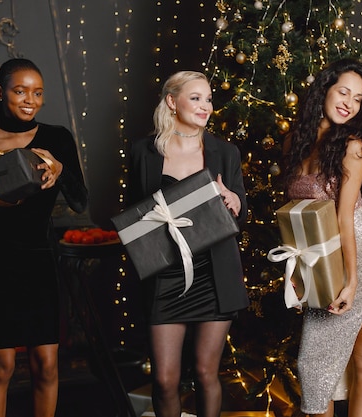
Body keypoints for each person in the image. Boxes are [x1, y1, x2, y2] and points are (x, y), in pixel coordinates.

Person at [0, 58, 88, 417]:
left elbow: (80, 202)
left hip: (39, 260)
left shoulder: (57, 139)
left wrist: (60, 170)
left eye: (37, 92)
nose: (29, 99)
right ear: (0, 93)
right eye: (20, 91)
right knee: (1, 365)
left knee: (46, 365)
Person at [281, 58, 362, 417]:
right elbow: (298, 218)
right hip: (323, 253)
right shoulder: (294, 141)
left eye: (358, 98)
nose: (349, 102)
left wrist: (351, 281)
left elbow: (344, 218)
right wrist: (299, 273)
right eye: (343, 91)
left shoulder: (353, 147)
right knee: (315, 363)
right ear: (325, 91)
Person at [127, 70, 249, 417]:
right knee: (165, 379)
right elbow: (134, 214)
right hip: (165, 275)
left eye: (208, 99)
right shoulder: (143, 152)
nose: (205, 106)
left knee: (206, 372)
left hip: (214, 275)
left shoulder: (225, 152)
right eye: (195, 98)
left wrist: (235, 203)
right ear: (171, 101)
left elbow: (240, 209)